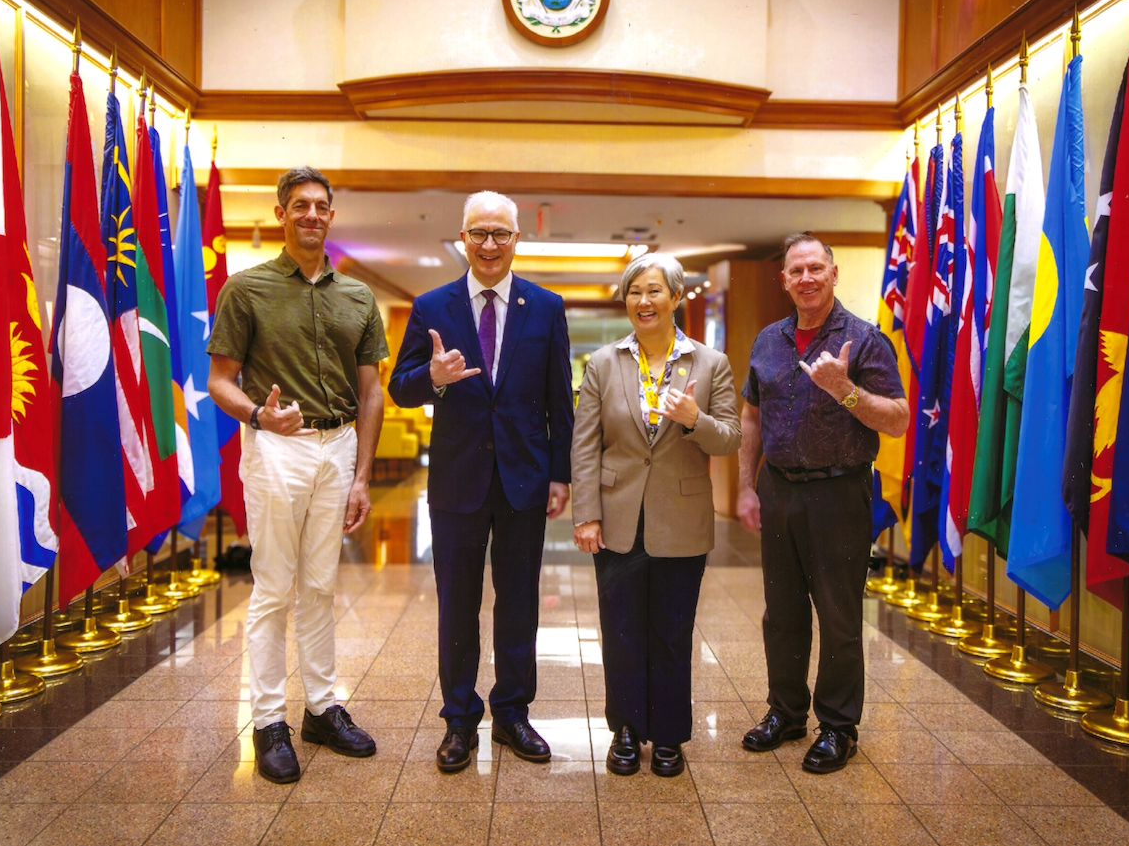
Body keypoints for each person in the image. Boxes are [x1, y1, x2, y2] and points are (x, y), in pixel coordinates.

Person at [206, 167, 387, 784]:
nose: (312, 214)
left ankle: (322, 707)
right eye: (300, 205)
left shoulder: (358, 297)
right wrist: (259, 414)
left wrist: (362, 476)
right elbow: (219, 381)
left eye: (321, 206)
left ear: (332, 216)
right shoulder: (247, 288)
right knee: (274, 587)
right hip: (276, 448)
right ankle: (266, 721)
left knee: (320, 584)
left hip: (338, 449)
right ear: (282, 213)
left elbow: (371, 393)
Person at [388, 190, 574, 773]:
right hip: (457, 480)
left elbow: (558, 399)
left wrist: (561, 473)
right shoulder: (431, 305)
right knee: (458, 604)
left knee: (519, 602)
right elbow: (400, 385)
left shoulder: (545, 307)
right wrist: (434, 378)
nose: (489, 245)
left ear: (517, 239)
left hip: (524, 478)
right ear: (462, 238)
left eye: (501, 234)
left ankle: (513, 714)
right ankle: (460, 719)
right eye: (479, 233)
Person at [736, 233, 907, 774]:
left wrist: (846, 391)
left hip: (839, 493)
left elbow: (899, 418)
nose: (806, 278)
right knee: (781, 614)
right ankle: (786, 713)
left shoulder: (865, 340)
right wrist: (745, 485)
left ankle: (838, 727)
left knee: (837, 616)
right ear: (783, 280)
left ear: (833, 273)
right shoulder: (768, 340)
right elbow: (751, 418)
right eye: (796, 270)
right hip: (779, 489)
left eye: (816, 268)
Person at [571, 253, 741, 777]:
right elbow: (585, 446)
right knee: (620, 628)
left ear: (677, 298)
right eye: (634, 293)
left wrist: (694, 420)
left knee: (672, 630)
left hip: (682, 519)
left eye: (654, 292)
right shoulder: (603, 363)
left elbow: (731, 438)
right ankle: (624, 730)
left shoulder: (710, 363)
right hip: (618, 518)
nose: (643, 302)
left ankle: (668, 735)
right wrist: (586, 515)